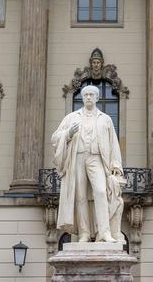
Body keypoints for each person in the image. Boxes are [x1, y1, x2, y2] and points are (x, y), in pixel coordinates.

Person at [51, 85, 124, 243]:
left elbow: (114, 144)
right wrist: (68, 134)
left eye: (92, 95)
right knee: (81, 196)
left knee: (100, 191)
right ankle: (84, 233)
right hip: (78, 157)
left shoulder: (105, 119)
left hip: (96, 158)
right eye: (86, 95)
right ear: (82, 98)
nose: (89, 97)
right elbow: (55, 138)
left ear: (97, 98)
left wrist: (116, 165)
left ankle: (104, 232)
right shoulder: (72, 117)